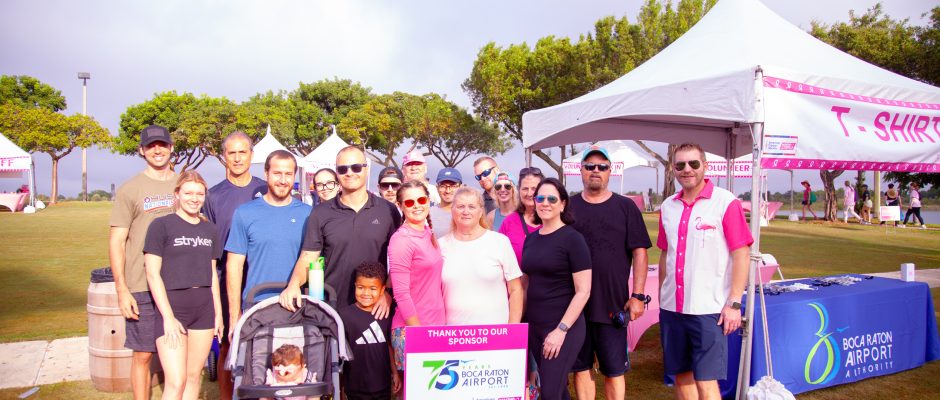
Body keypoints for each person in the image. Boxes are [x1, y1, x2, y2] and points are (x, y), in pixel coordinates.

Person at [657, 143, 753, 400]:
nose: (687, 169)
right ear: (673, 169)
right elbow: (666, 253)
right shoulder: (667, 206)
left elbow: (741, 253)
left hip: (708, 308)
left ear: (705, 166)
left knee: (706, 381)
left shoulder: (725, 202)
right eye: (680, 165)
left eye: (693, 163)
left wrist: (734, 302)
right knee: (681, 376)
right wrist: (662, 297)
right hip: (672, 308)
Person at [569, 146, 652, 400]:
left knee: (614, 371)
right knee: (581, 369)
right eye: (590, 166)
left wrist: (638, 295)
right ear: (581, 170)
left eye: (602, 167)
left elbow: (640, 252)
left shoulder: (625, 207)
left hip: (613, 305)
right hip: (575, 306)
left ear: (610, 171)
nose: (596, 171)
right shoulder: (568, 207)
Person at [280, 146, 401, 314]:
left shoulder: (387, 210)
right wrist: (293, 285)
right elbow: (308, 256)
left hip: (374, 307)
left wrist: (387, 292)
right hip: (332, 305)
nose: (349, 173)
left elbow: (399, 261)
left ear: (366, 169)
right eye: (343, 169)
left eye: (356, 167)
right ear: (337, 173)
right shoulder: (320, 213)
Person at [108, 124, 177, 400]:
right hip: (141, 285)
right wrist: (122, 289)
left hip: (177, 284)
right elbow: (117, 241)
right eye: (151, 146)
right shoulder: (130, 189)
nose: (157, 150)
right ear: (141, 150)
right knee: (143, 354)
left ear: (171, 148)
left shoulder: (184, 184)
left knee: (177, 350)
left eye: (162, 144)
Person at [143, 170, 223, 399]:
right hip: (173, 308)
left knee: (193, 376)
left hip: (204, 309)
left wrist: (218, 313)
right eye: (188, 193)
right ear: (177, 194)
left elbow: (212, 274)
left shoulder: (210, 230)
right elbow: (152, 274)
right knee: (176, 380)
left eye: (199, 194)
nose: (194, 198)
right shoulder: (161, 226)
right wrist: (168, 317)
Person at [201, 131, 267, 398]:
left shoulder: (266, 189)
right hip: (226, 278)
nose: (238, 158)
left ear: (251, 155)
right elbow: (208, 244)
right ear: (224, 156)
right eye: (232, 153)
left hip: (262, 277)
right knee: (229, 343)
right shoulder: (213, 196)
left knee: (264, 342)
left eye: (243, 152)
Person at [225, 150, 312, 337]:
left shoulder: (308, 214)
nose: (283, 180)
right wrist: (234, 316)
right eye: (277, 173)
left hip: (296, 306)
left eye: (288, 174)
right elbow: (234, 266)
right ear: (266, 174)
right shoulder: (244, 213)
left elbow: (311, 258)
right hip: (256, 305)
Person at [520, 177, 591, 400]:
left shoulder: (573, 239)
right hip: (536, 327)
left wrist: (561, 330)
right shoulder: (531, 239)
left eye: (552, 199)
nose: (545, 203)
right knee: (557, 390)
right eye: (540, 198)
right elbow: (526, 283)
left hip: (563, 327)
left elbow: (583, 291)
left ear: (562, 204)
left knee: (550, 392)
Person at [388, 180, 446, 382]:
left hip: (435, 327)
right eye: (409, 202)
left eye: (421, 200)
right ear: (400, 206)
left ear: (428, 201)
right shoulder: (402, 240)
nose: (416, 206)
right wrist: (420, 335)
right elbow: (401, 294)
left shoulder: (428, 232)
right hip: (413, 329)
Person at [441, 187, 523, 325]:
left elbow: (515, 289)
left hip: (495, 332)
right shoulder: (440, 245)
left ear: (480, 212)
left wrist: (512, 329)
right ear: (452, 210)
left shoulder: (499, 242)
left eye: (471, 207)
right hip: (453, 333)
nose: (466, 211)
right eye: (460, 206)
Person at [339, 262, 400, 399]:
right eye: (361, 287)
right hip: (355, 387)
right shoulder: (344, 315)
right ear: (355, 286)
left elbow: (389, 346)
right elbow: (341, 354)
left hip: (383, 386)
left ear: (382, 290)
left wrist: (395, 373)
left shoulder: (386, 314)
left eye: (372, 288)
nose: (366, 293)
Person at [498, 167, 544, 264]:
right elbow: (497, 256)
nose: (529, 193)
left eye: (534, 189)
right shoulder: (509, 221)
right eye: (525, 189)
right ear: (519, 190)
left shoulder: (553, 220)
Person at [429, 167, 462, 238]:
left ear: (460, 187)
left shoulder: (468, 213)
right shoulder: (428, 214)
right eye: (443, 186)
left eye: (453, 186)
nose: (448, 191)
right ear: (437, 188)